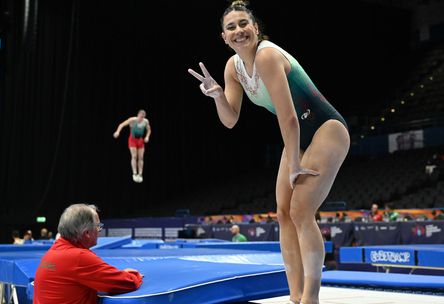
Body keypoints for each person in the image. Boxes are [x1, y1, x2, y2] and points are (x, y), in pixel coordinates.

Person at [187, 1, 350, 303]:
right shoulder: (232, 68)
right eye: (231, 27)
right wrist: (218, 96)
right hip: (298, 137)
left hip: (328, 129)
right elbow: (230, 120)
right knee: (283, 213)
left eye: (243, 24)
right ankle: (295, 296)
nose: (238, 30)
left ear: (256, 28)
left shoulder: (267, 56)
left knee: (301, 210)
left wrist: (293, 165)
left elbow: (288, 117)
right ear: (224, 37)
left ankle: (310, 298)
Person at [34, 204, 143, 304]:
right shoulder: (79, 257)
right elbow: (128, 283)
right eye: (98, 226)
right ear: (87, 233)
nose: (99, 230)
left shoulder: (53, 251)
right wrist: (134, 275)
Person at [113, 110, 151, 183]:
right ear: (138, 115)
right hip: (132, 140)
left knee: (141, 157)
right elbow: (122, 124)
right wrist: (118, 131)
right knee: (134, 156)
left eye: (143, 117)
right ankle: (134, 173)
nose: (141, 118)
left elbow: (149, 130)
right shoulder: (132, 120)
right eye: (140, 117)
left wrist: (147, 137)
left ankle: (140, 174)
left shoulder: (146, 121)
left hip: (140, 141)